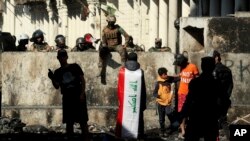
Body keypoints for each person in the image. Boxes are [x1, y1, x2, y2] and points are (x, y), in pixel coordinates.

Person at [48, 49, 90, 141]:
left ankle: (86, 138)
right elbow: (57, 86)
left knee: (83, 121)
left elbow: (82, 80)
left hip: (78, 96)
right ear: (58, 58)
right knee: (69, 122)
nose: (62, 58)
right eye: (60, 57)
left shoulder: (75, 67)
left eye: (64, 56)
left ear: (67, 57)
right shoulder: (57, 72)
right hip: (67, 98)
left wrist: (82, 94)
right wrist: (52, 78)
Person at [181, 56, 223, 141]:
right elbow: (223, 101)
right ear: (213, 67)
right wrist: (218, 114)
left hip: (196, 117)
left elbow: (188, 101)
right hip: (210, 118)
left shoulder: (195, 82)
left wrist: (183, 114)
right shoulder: (216, 83)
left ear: (202, 66)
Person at [116, 52, 146, 140]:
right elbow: (143, 88)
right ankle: (139, 135)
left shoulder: (122, 71)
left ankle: (123, 133)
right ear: (136, 60)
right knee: (139, 117)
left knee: (125, 114)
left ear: (127, 59)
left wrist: (119, 99)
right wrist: (143, 101)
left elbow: (119, 87)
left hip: (125, 100)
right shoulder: (140, 72)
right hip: (138, 100)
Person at [173, 53, 199, 139]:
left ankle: (190, 130)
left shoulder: (193, 67)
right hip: (181, 94)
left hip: (191, 94)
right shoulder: (182, 67)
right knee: (181, 114)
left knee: (191, 113)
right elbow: (180, 76)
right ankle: (183, 131)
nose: (179, 65)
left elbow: (197, 78)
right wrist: (170, 77)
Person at [99, 15, 130, 84]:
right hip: (108, 46)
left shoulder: (118, 28)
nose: (111, 24)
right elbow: (103, 39)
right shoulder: (104, 29)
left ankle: (124, 67)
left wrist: (126, 44)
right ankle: (100, 68)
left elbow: (127, 36)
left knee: (123, 51)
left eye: (113, 22)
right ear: (107, 22)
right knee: (101, 50)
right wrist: (104, 45)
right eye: (110, 22)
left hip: (117, 45)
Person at [211, 50, 234, 138]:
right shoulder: (227, 70)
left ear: (217, 57)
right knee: (223, 120)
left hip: (215, 100)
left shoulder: (213, 70)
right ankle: (229, 136)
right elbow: (231, 86)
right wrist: (226, 97)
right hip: (224, 100)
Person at [153, 67, 179, 137]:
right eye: (164, 74)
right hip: (160, 103)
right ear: (160, 75)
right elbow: (154, 93)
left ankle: (172, 127)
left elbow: (176, 79)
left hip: (167, 103)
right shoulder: (158, 83)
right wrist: (160, 96)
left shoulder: (168, 79)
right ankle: (162, 130)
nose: (166, 75)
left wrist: (180, 76)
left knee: (169, 113)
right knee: (161, 119)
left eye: (166, 74)